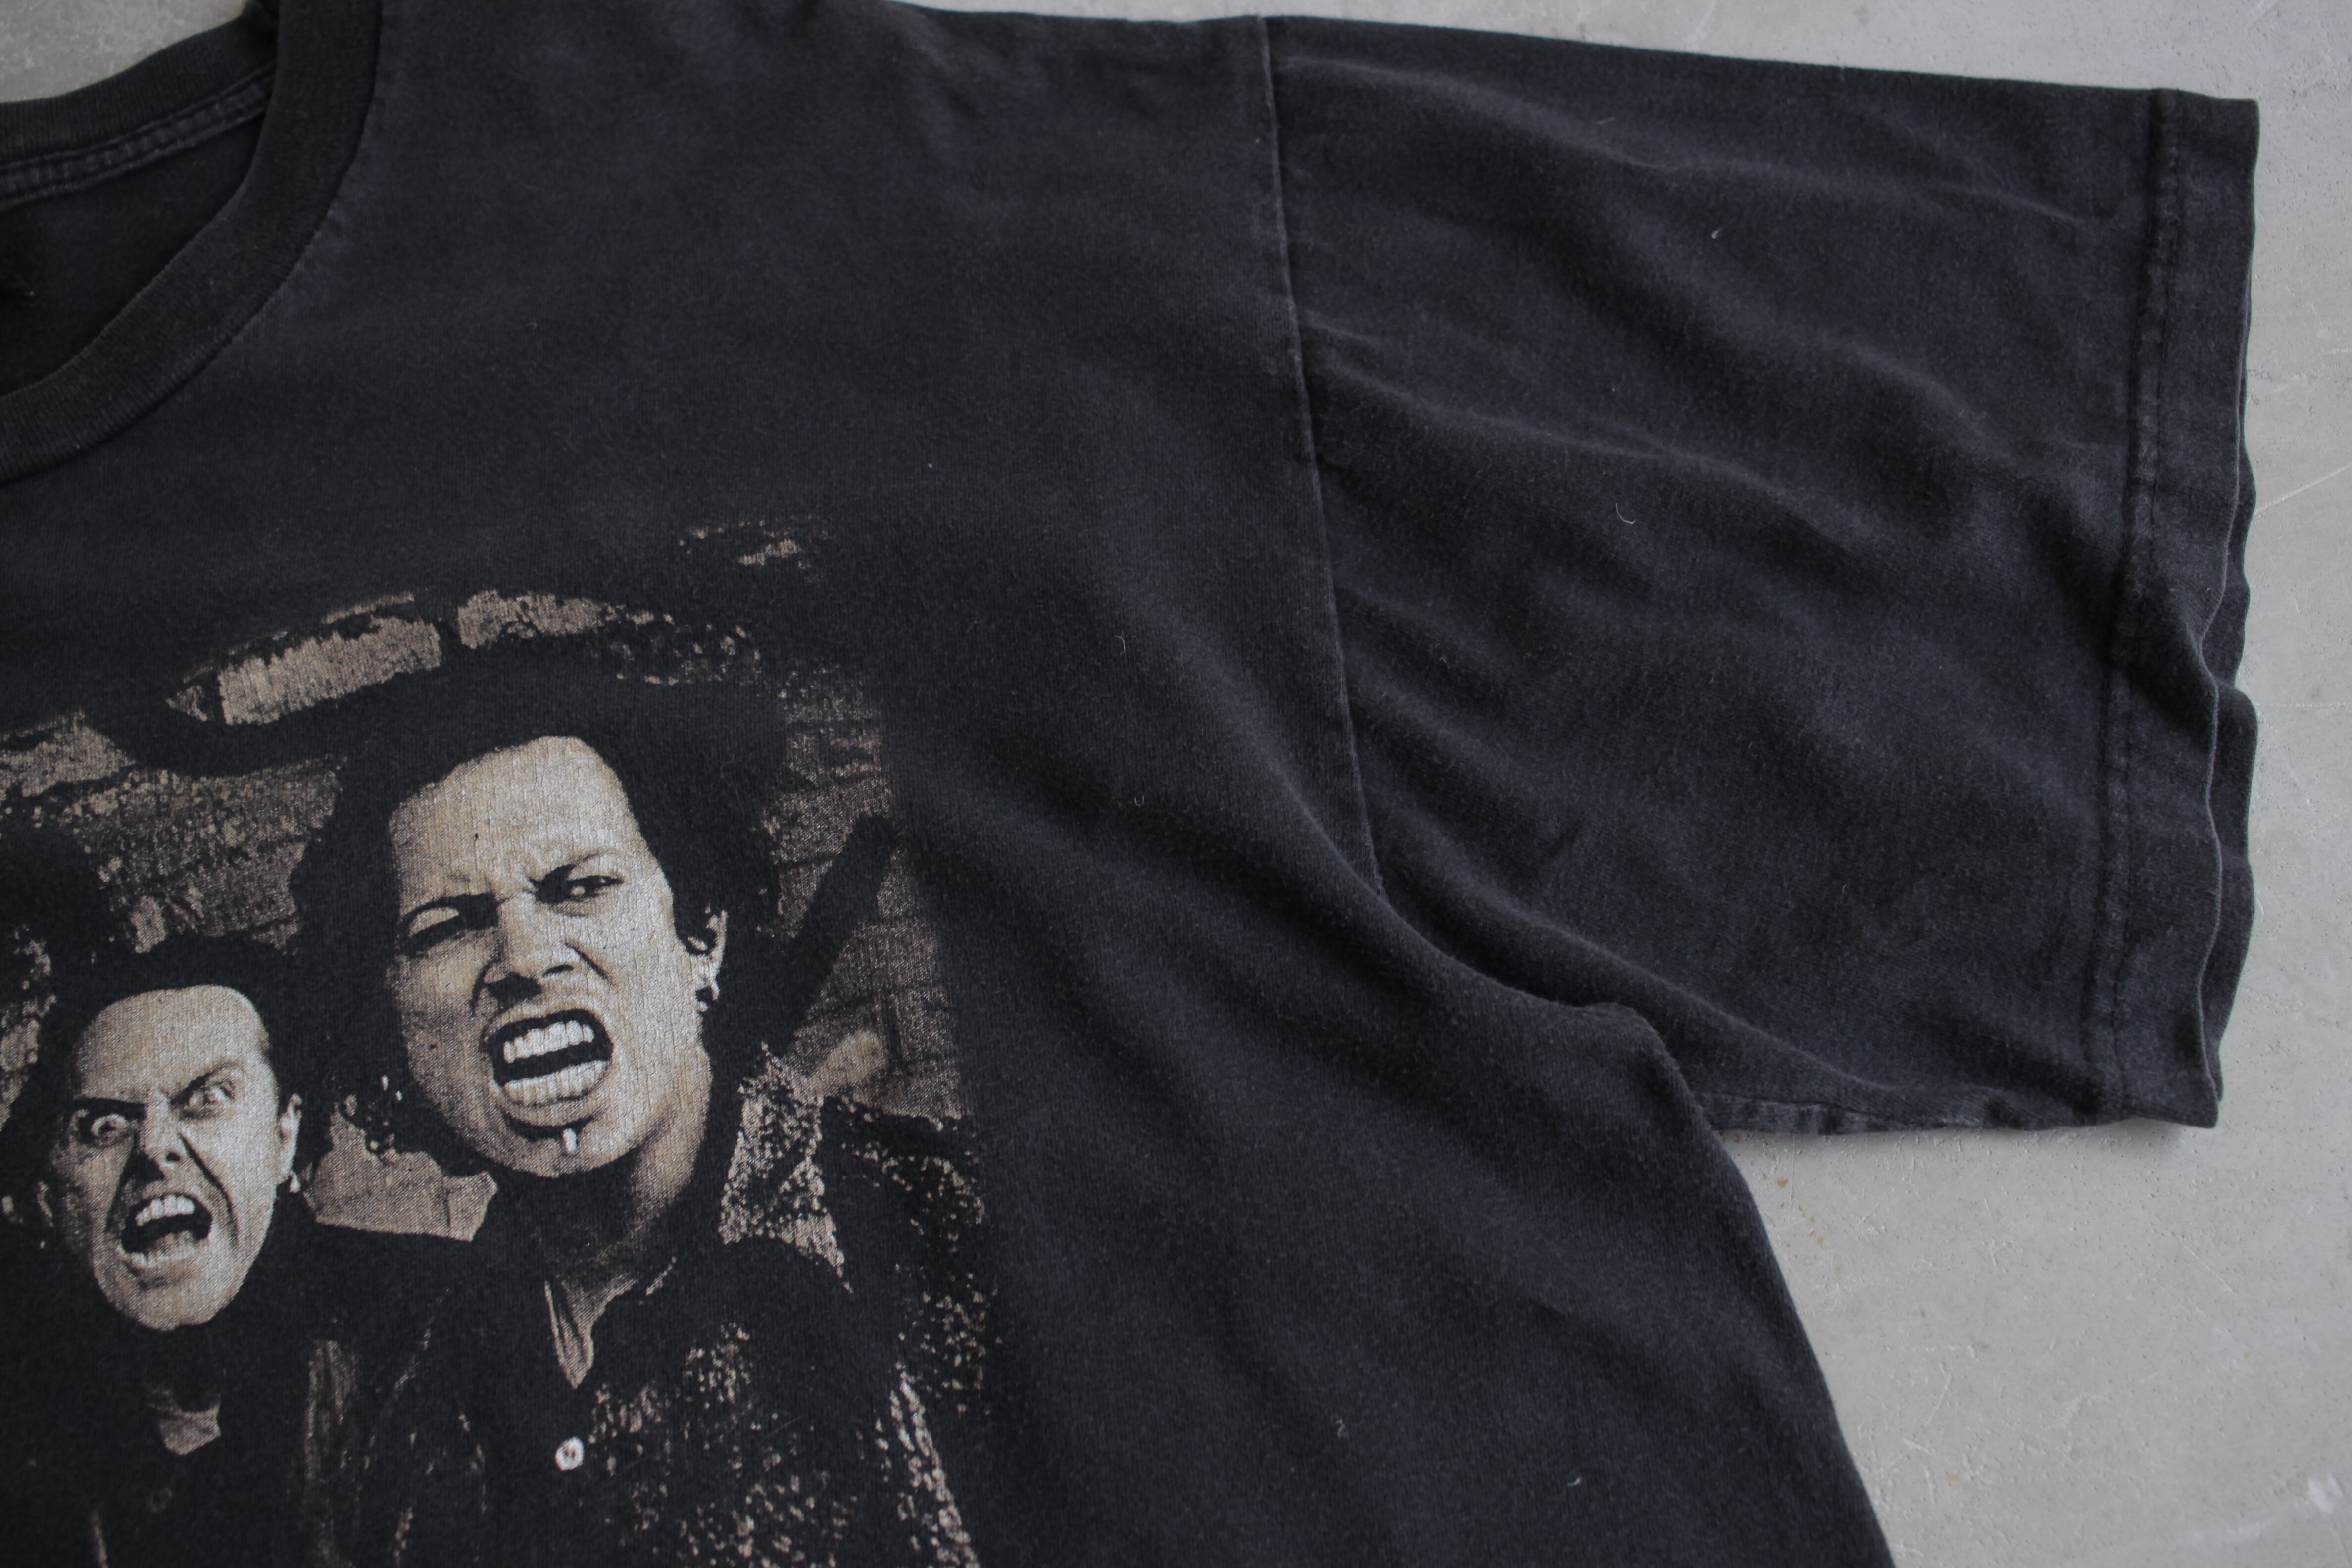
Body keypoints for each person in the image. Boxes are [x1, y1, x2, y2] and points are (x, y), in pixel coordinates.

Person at [292, 663, 979, 1568]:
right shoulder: (402, 1413)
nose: (523, 956)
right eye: (447, 925)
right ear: (392, 1027)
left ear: (701, 936)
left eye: (579, 885)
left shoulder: (946, 1234)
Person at [0, 936, 459, 1568]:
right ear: (48, 1198)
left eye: (208, 1098)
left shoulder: (444, 1326)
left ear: (283, 1135)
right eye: (104, 1126)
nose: (154, 1146)